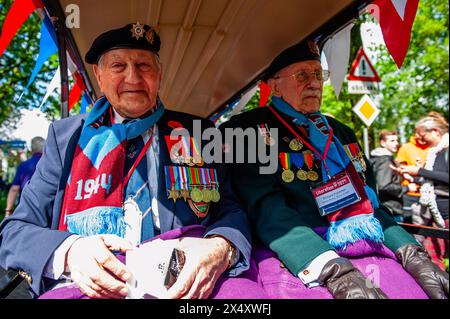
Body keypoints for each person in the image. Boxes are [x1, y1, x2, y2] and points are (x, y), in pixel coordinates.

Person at [0, 23, 261, 300]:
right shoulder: (65, 138)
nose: (133, 77)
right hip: (90, 284)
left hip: (187, 282)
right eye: (118, 66)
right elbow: (15, 232)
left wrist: (220, 246)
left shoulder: (200, 132)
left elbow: (231, 208)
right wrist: (71, 251)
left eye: (144, 65)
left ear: (159, 75)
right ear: (99, 77)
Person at [220, 39, 448, 299]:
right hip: (297, 252)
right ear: (275, 87)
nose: (315, 83)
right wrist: (329, 267)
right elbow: (265, 207)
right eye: (302, 75)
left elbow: (373, 206)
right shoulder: (245, 130)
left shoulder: (342, 133)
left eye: (318, 74)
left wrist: (409, 250)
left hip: (366, 241)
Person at [392, 112, 449, 269]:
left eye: (423, 135)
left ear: (436, 132)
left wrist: (420, 171)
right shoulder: (435, 153)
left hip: (445, 213)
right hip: (435, 214)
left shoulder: (446, 151)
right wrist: (411, 177)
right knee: (433, 257)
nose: (421, 140)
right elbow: (434, 181)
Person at [370, 130, 415, 222]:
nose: (396, 143)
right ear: (383, 143)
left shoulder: (378, 158)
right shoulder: (385, 160)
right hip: (390, 208)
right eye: (392, 141)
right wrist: (407, 188)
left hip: (384, 206)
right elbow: (384, 185)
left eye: (397, 140)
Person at [396, 125, 430, 225]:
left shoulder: (432, 147)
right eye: (419, 134)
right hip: (410, 194)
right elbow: (400, 168)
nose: (421, 137)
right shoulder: (407, 148)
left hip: (429, 192)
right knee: (410, 225)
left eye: (424, 134)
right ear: (415, 133)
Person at [4, 136, 45, 217]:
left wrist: (8, 211)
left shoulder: (24, 165)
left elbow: (14, 189)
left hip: (26, 209)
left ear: (32, 148)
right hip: (46, 210)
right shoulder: (52, 165)